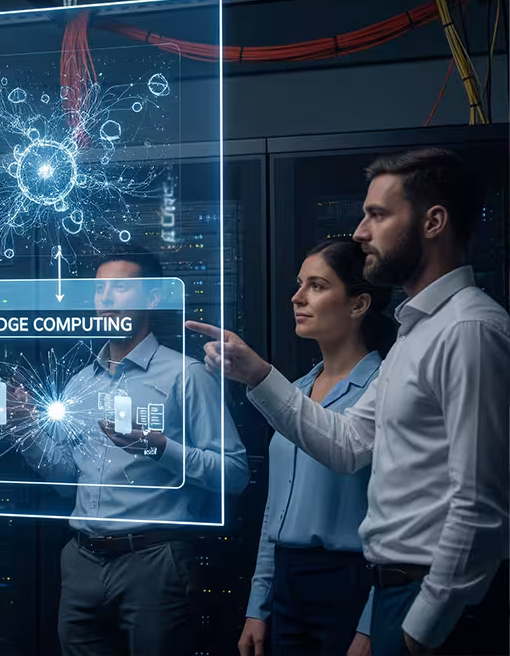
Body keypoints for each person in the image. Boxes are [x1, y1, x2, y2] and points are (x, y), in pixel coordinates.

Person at [189, 148, 509, 656]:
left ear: (434, 222)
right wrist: (258, 375)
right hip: (392, 594)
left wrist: (419, 629)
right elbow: (348, 443)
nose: (360, 231)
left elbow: (482, 504)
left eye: (377, 215)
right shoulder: (418, 333)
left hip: (423, 602)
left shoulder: (468, 330)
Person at [0, 245, 250, 656]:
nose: (106, 298)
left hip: (154, 559)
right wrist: (24, 426)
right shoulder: (78, 383)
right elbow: (67, 482)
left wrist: (160, 448)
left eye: (120, 288)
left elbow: (235, 474)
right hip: (81, 561)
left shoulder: (186, 377)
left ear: (153, 298)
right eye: (100, 289)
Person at [238, 239, 393, 656]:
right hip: (288, 584)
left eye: (317, 285)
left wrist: (373, 621)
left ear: (359, 304)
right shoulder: (294, 392)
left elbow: (395, 517)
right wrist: (259, 605)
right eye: (299, 283)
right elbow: (277, 510)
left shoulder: (384, 390)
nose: (297, 297)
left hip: (351, 584)